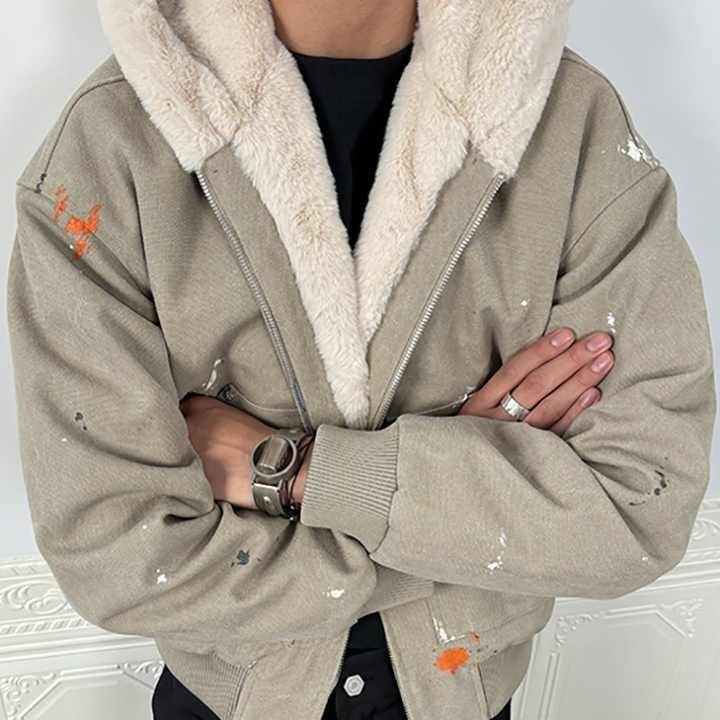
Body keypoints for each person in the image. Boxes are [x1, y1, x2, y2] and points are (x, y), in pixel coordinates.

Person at [6, 1, 715, 719]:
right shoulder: (109, 145)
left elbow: (636, 512)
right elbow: (121, 559)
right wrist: (457, 497)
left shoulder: (572, 127)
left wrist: (297, 473)